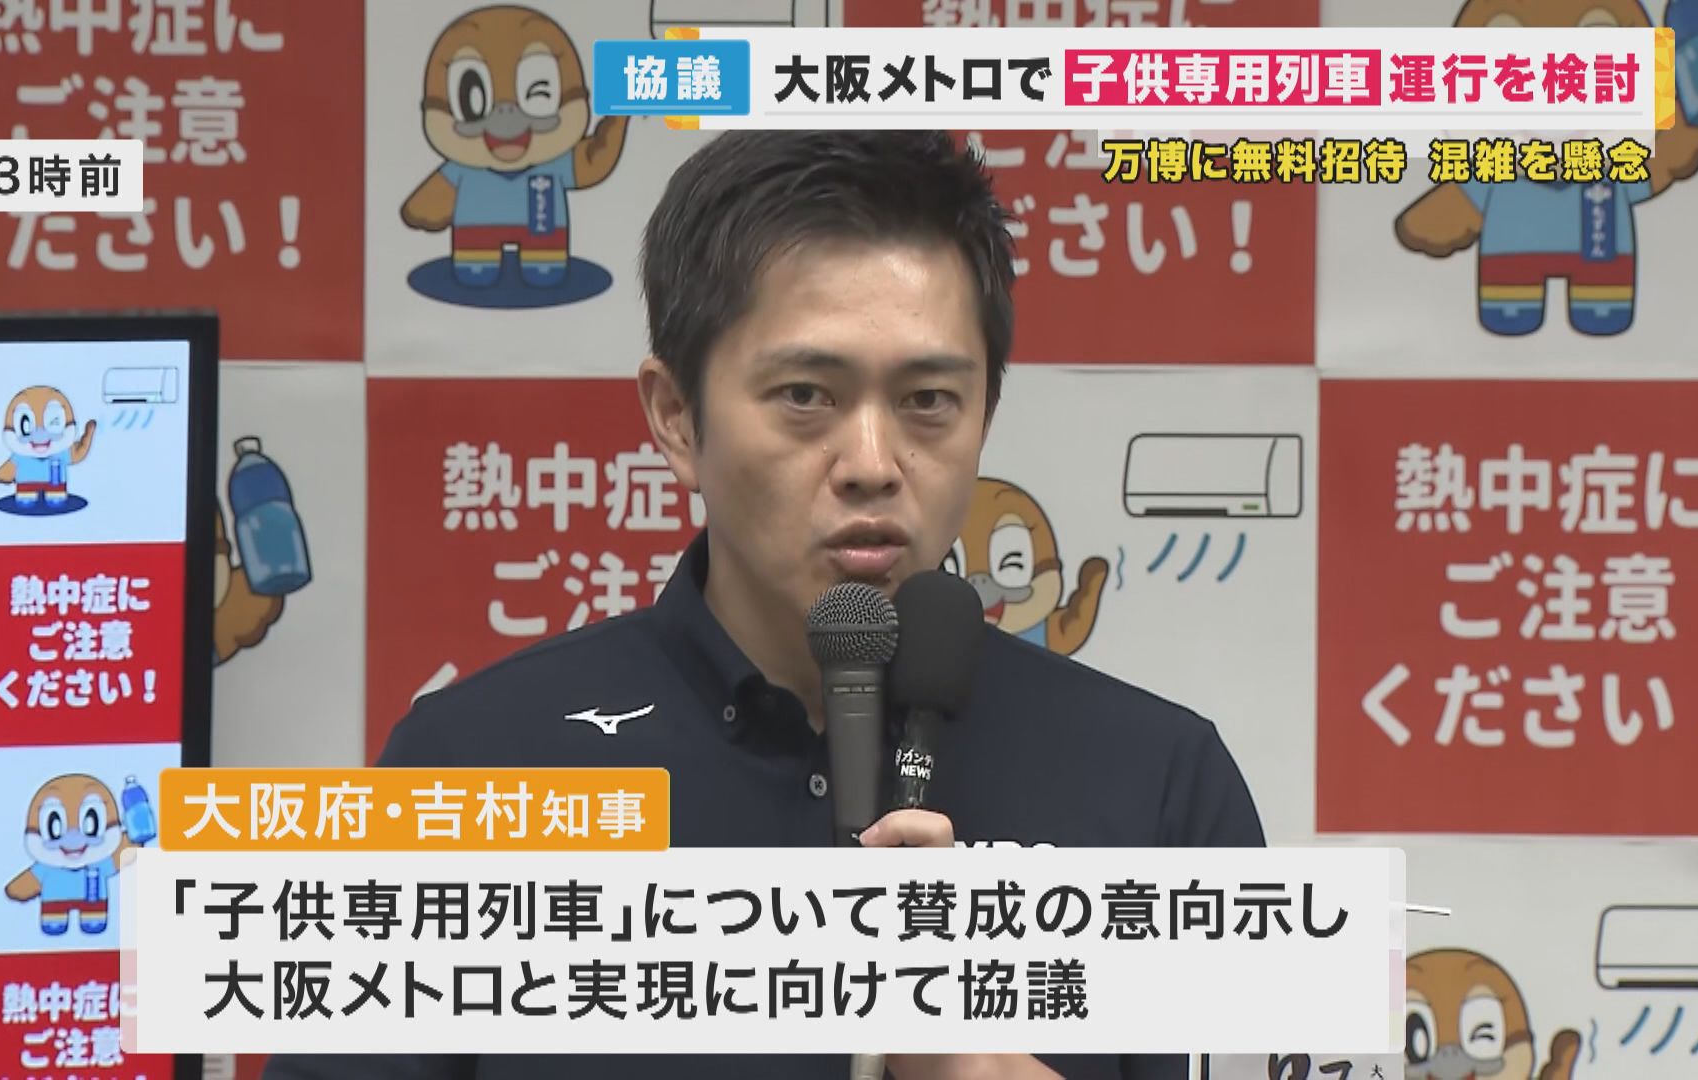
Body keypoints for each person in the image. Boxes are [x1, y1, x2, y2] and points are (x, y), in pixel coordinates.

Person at [264, 129, 1264, 1080]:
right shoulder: (471, 767)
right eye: (805, 396)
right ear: (676, 416)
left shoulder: (1159, 786)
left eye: (928, 401)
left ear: (985, 414)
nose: (871, 464)